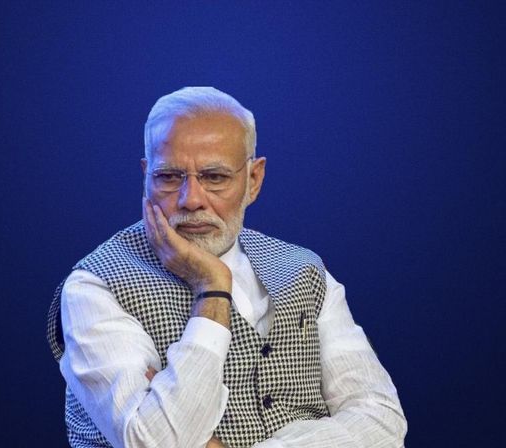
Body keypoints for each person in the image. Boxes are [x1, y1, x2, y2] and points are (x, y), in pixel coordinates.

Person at [46, 87, 407, 448]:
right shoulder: (96, 286)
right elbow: (154, 441)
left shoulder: (304, 270)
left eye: (214, 177)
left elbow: (383, 421)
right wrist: (213, 289)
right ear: (146, 177)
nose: (191, 200)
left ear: (253, 180)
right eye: (168, 177)